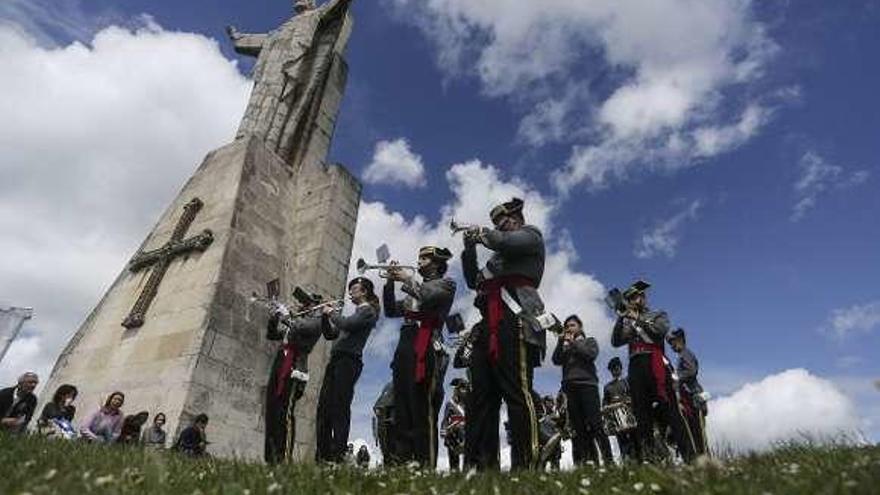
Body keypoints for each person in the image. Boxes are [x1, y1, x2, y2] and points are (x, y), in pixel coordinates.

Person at [460, 197, 552, 470]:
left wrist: (484, 234)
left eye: (506, 222)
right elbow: (473, 281)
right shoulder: (497, 259)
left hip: (517, 317)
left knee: (516, 392)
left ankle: (526, 462)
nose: (502, 227)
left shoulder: (530, 236)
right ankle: (483, 466)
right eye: (498, 224)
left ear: (518, 220)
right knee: (482, 396)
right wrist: (469, 249)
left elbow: (506, 241)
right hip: (489, 321)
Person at [384, 246, 456, 468]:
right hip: (405, 343)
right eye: (420, 257)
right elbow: (389, 310)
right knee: (402, 403)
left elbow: (426, 295)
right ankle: (404, 460)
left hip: (425, 342)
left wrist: (406, 278)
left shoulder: (446, 284)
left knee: (421, 405)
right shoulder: (412, 291)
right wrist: (388, 283)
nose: (420, 261)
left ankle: (425, 462)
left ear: (436, 263)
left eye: (425, 258)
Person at [611, 281, 696, 463]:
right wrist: (621, 318)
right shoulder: (628, 322)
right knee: (642, 416)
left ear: (643, 297)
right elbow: (616, 341)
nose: (633, 301)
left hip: (655, 362)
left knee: (671, 412)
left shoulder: (658, 314)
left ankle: (690, 458)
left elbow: (660, 331)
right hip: (635, 366)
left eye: (635, 297)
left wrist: (637, 318)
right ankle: (649, 460)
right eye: (630, 299)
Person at [315, 277, 380, 463]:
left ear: (364, 291)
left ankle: (338, 454)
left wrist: (331, 313)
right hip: (336, 361)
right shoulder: (351, 315)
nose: (350, 293)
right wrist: (324, 317)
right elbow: (330, 334)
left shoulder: (368, 311)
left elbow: (347, 325)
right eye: (350, 289)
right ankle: (323, 455)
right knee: (324, 407)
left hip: (348, 361)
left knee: (340, 407)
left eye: (354, 289)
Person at [264, 289, 328, 464]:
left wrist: (287, 315)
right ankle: (270, 458)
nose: (302, 305)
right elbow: (272, 334)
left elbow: (303, 327)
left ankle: (283, 458)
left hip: (295, 366)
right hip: (281, 360)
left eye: (307, 303)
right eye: (303, 303)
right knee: (272, 409)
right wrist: (274, 316)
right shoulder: (296, 321)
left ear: (315, 306)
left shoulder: (316, 321)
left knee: (285, 412)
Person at [552, 315, 613, 466]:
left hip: (588, 386)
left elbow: (590, 354)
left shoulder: (589, 341)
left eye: (572, 325)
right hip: (570, 388)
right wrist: (561, 341)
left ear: (580, 327)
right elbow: (555, 360)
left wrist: (573, 342)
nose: (569, 328)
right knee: (578, 427)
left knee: (596, 424)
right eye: (567, 326)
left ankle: (609, 460)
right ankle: (589, 462)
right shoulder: (565, 347)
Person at [667, 328, 709, 456]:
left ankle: (706, 462)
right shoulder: (682, 356)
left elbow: (692, 371)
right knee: (694, 433)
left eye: (673, 342)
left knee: (699, 435)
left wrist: (677, 376)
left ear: (680, 340)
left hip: (695, 398)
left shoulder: (686, 354)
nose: (672, 346)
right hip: (689, 399)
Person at [603, 357, 635, 461]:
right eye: (612, 369)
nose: (615, 371)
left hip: (631, 417)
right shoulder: (607, 387)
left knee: (635, 441)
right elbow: (605, 405)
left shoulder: (628, 382)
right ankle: (627, 464)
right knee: (623, 445)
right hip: (617, 420)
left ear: (621, 368)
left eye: (616, 368)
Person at [441, 378, 468, 471]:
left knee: (468, 459)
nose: (464, 391)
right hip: (453, 434)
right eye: (462, 388)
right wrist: (443, 430)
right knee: (453, 460)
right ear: (457, 390)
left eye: (465, 388)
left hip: (466, 433)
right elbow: (445, 419)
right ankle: (454, 473)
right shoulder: (450, 404)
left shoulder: (469, 404)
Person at [372, 382, 395, 464]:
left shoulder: (399, 385)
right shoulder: (388, 386)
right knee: (385, 448)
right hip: (383, 421)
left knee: (392, 446)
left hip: (392, 421)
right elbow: (378, 404)